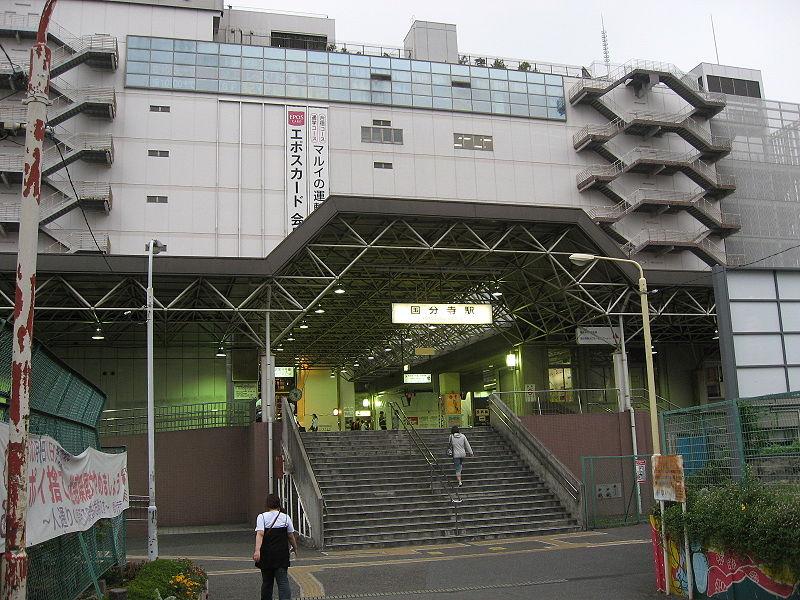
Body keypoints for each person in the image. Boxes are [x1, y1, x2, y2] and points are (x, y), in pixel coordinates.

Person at [253, 493, 299, 600]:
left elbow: (259, 534)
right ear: (278, 504)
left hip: (266, 555)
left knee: (267, 582)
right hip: (281, 555)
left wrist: (257, 551)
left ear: (267, 504)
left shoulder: (262, 517)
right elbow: (291, 536)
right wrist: (295, 548)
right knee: (283, 582)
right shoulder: (285, 517)